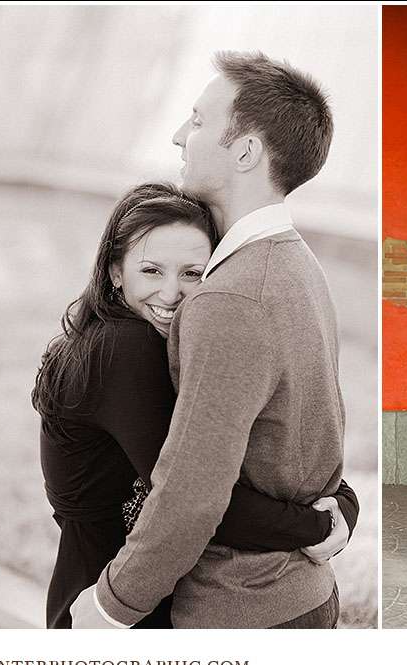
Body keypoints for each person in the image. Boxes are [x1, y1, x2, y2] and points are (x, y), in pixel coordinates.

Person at [70, 50, 348, 629]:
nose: (179, 135)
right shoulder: (296, 264)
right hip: (296, 595)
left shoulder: (232, 296)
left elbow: (193, 486)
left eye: (197, 122)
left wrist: (113, 606)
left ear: (245, 151)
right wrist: (340, 507)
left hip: (243, 611)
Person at [33, 183, 358, 628]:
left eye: (192, 273)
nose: (170, 294)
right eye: (151, 271)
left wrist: (341, 500)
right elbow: (193, 496)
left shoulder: (143, 343)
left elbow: (240, 460)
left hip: (148, 594)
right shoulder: (121, 349)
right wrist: (322, 525)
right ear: (115, 272)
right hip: (109, 608)